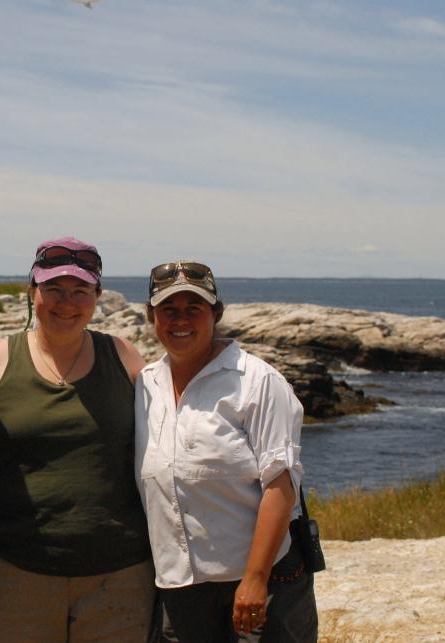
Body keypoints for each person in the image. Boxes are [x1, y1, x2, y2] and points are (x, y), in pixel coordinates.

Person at [0, 237, 155, 643]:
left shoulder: (124, 357)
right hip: (8, 574)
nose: (67, 303)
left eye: (80, 291)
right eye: (54, 290)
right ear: (33, 290)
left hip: (118, 577)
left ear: (97, 296)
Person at [135, 260, 318, 642]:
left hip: (259, 579)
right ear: (151, 316)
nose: (180, 320)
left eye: (193, 309)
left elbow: (280, 486)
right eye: (169, 310)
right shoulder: (146, 385)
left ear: (215, 313)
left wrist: (255, 580)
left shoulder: (257, 381)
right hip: (179, 584)